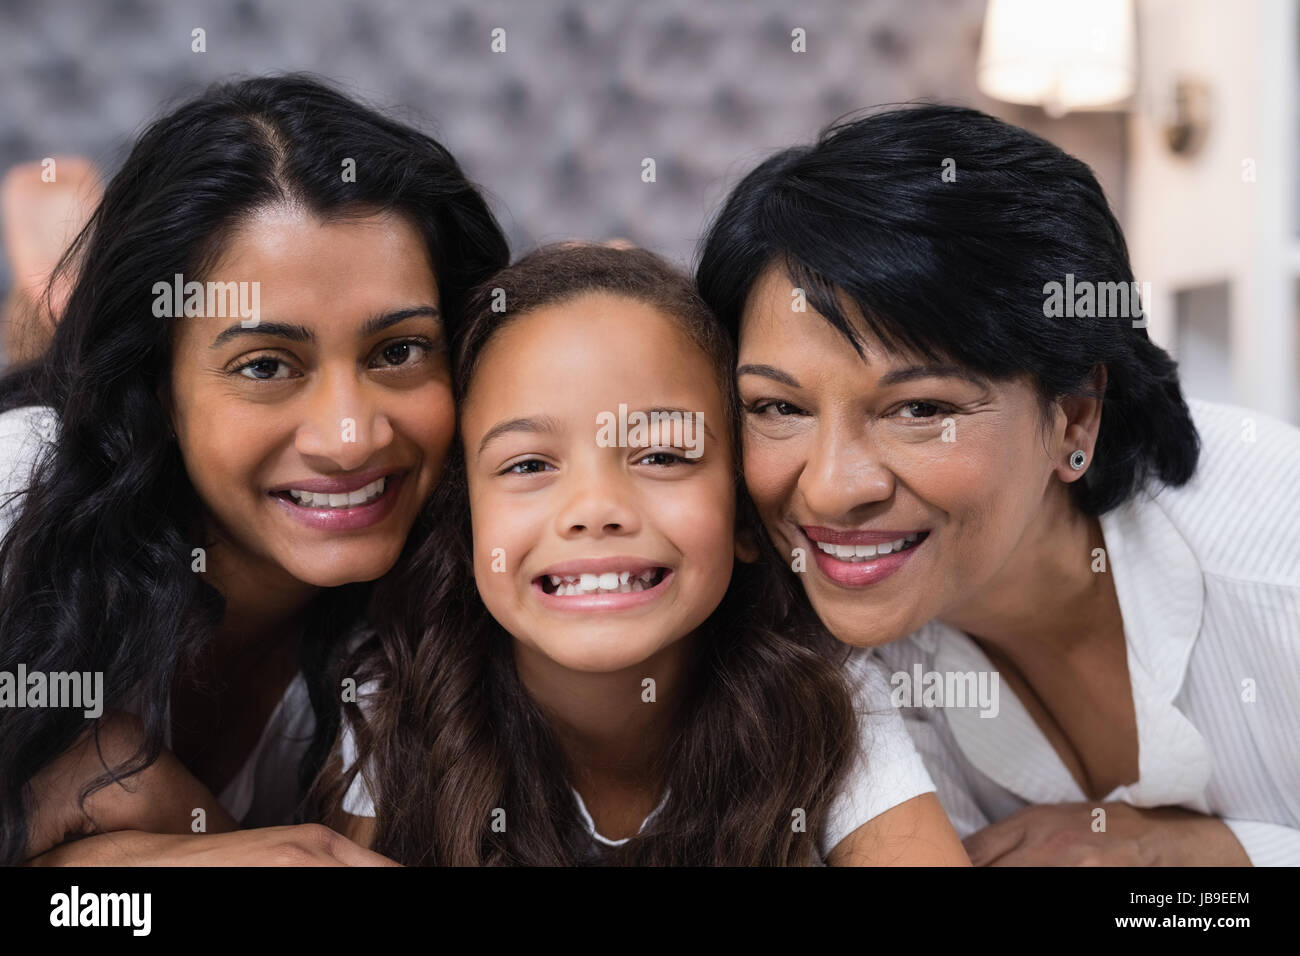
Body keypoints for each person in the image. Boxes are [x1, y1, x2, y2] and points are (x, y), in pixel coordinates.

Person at [695, 104, 1300, 865]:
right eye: (778, 407)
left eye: (920, 408)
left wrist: (1193, 857)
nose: (831, 490)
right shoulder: (816, 642)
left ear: (1075, 418)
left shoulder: (1279, 557)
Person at [318, 243, 968, 865]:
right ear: (465, 532)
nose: (596, 508)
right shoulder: (398, 701)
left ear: (743, 515)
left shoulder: (830, 695)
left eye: (662, 455)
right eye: (528, 464)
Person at [0, 73, 508, 865]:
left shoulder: (450, 594)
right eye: (267, 365)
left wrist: (120, 822)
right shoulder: (17, 492)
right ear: (157, 387)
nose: (350, 439)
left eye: (400, 351)